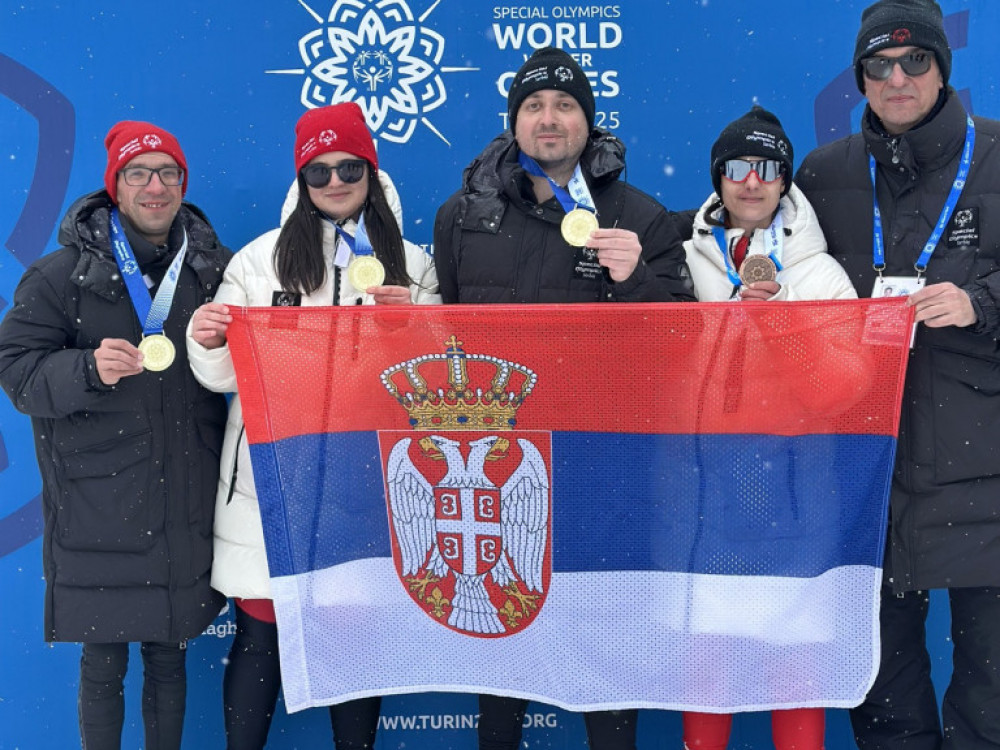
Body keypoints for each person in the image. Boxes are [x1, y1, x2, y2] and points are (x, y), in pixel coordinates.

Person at [433, 46, 694, 750]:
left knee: (607, 646)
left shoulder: (641, 215)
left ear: (589, 119)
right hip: (500, 466)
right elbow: (446, 336)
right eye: (534, 106)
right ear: (514, 120)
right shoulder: (462, 215)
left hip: (602, 467)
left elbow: (679, 344)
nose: (549, 119)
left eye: (565, 104)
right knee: (502, 642)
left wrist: (635, 280)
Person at [186, 101, 440, 750]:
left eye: (348, 166)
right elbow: (219, 377)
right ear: (301, 180)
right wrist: (207, 338)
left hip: (368, 485)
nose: (334, 181)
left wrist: (419, 324)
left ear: (370, 169)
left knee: (355, 638)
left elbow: (441, 383)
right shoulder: (258, 261)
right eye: (317, 171)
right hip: (273, 478)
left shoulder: (410, 264)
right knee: (261, 630)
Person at [795, 1, 1000, 748]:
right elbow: (761, 252)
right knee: (880, 683)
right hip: (863, 463)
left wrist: (980, 301)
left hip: (985, 461)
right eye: (878, 66)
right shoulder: (824, 174)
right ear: (861, 80)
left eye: (916, 61)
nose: (898, 78)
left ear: (943, 68)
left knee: (994, 685)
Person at [0, 121, 230, 749]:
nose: (155, 187)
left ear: (184, 184)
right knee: (102, 665)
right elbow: (16, 371)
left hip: (184, 500)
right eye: (139, 173)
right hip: (98, 502)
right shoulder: (59, 276)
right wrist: (85, 369)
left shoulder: (214, 271)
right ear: (115, 186)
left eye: (168, 174)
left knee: (169, 660)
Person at [681, 106, 855, 750]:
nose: (750, 183)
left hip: (798, 498)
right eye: (735, 169)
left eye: (766, 170)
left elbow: (845, 391)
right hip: (704, 501)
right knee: (706, 672)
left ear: (784, 181)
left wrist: (785, 324)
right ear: (718, 179)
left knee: (795, 671)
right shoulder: (686, 261)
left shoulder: (822, 274)